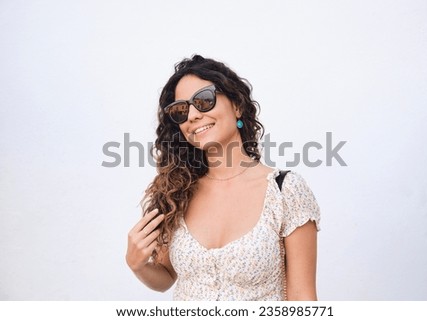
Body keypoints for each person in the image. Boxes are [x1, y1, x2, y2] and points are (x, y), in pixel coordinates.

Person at [126, 55, 321, 301]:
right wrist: (138, 265)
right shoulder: (176, 192)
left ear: (236, 105)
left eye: (204, 100)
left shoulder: (285, 190)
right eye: (181, 110)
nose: (193, 115)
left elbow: (303, 297)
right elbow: (165, 276)